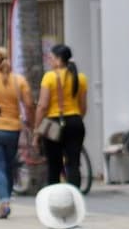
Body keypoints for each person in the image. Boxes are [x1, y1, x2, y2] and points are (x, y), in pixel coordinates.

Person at [0, 47, 32, 219]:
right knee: (9, 166)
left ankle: (3, 202)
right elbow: (29, 104)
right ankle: (7, 199)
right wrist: (31, 123)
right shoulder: (19, 80)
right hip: (12, 129)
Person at [33, 44, 88, 189]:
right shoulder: (80, 78)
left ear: (58, 60)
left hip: (53, 123)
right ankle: (75, 195)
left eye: (51, 58)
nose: (49, 61)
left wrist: (37, 130)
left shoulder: (49, 77)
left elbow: (42, 106)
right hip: (75, 121)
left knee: (54, 164)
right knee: (73, 163)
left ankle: (55, 196)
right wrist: (76, 119)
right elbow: (83, 106)